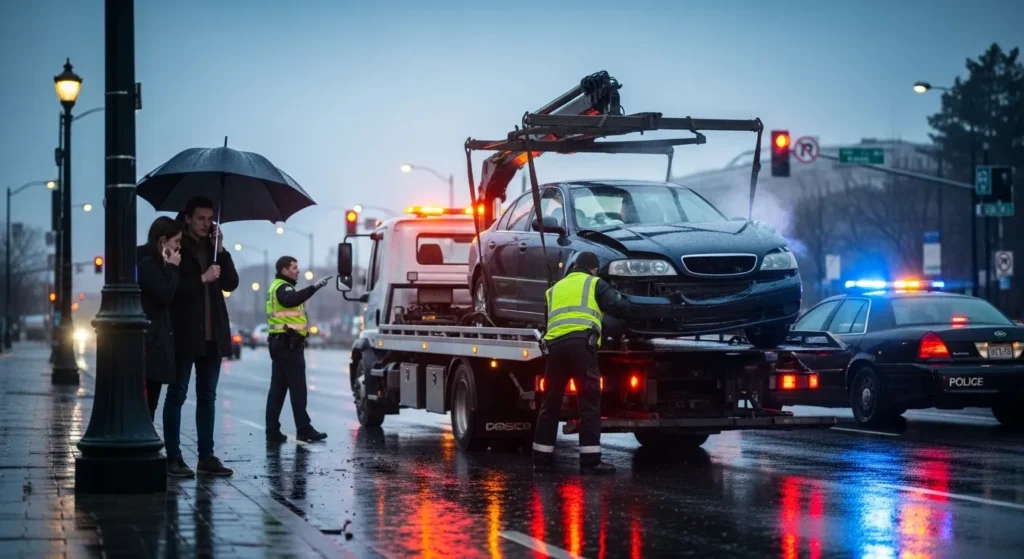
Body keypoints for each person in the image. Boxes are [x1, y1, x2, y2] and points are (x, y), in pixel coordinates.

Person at [532, 251, 682, 475]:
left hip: (555, 348)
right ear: (593, 269)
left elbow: (551, 319)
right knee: (589, 402)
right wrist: (649, 311)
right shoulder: (594, 283)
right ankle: (590, 462)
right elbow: (618, 306)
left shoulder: (554, 289)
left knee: (550, 404)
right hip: (581, 347)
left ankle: (541, 460)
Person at [165, 196, 239, 478]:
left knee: (207, 396)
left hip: (212, 334)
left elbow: (231, 282)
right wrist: (201, 279)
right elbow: (170, 289)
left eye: (210, 219)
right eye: (201, 219)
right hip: (185, 332)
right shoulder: (175, 245)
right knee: (178, 395)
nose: (206, 224)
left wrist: (222, 249)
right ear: (187, 218)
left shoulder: (214, 248)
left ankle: (206, 456)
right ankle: (173, 457)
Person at [265, 256, 332, 443]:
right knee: (298, 388)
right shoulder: (283, 287)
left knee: (278, 389)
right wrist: (314, 287)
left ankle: (272, 430)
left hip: (280, 343)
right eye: (294, 267)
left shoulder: (275, 286)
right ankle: (304, 429)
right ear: (284, 270)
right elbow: (291, 300)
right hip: (287, 345)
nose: (298, 270)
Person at [137, 216, 182, 420]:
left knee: (151, 403)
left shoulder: (156, 262)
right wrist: (172, 267)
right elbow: (164, 294)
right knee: (147, 403)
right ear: (163, 242)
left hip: (155, 340)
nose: (179, 247)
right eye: (176, 242)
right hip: (149, 342)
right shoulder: (147, 263)